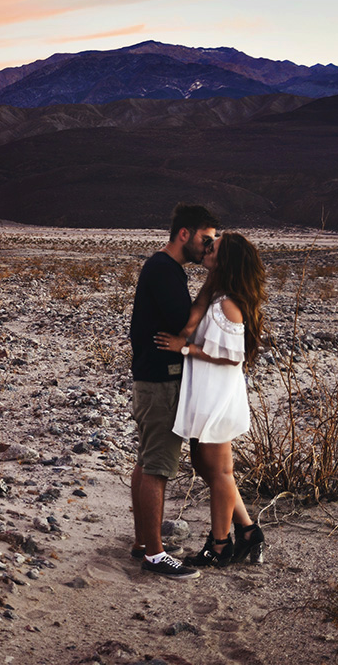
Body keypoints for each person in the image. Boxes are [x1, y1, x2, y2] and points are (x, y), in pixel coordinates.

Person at [154, 231, 267, 568]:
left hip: (217, 395)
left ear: (225, 260)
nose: (206, 248)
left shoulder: (229, 306)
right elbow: (199, 306)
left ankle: (219, 545)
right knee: (206, 466)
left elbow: (233, 357)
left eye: (213, 248)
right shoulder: (217, 294)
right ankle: (247, 530)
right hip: (204, 391)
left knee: (219, 471)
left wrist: (184, 348)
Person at [128, 203, 219, 579]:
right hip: (160, 381)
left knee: (147, 460)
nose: (209, 247)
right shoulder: (165, 271)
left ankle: (142, 543)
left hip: (152, 377)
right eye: (206, 239)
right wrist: (214, 279)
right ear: (185, 233)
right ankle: (155, 554)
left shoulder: (164, 269)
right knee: (158, 466)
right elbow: (185, 325)